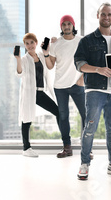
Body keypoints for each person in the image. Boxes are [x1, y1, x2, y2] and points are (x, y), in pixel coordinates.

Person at [74, 2, 111, 180]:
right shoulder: (87, 41)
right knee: (90, 127)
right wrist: (98, 69)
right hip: (94, 90)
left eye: (109, 14)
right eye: (103, 14)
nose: (106, 17)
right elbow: (79, 64)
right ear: (98, 16)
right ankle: (84, 164)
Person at [43, 15, 86, 158]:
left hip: (76, 84)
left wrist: (82, 77)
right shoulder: (56, 43)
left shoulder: (81, 41)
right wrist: (46, 54)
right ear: (61, 27)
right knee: (63, 116)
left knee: (86, 114)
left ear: (73, 25)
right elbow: (50, 66)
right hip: (60, 86)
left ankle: (87, 147)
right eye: (64, 24)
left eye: (69, 24)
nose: (66, 26)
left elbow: (88, 60)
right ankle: (67, 147)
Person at [15, 33, 60, 157]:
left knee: (58, 111)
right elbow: (19, 73)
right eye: (27, 43)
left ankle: (66, 141)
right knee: (26, 118)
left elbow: (51, 62)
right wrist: (18, 59)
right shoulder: (24, 59)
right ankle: (26, 148)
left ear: (36, 43)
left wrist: (55, 42)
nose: (30, 45)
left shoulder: (41, 55)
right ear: (25, 45)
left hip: (40, 92)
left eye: (31, 43)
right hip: (29, 92)